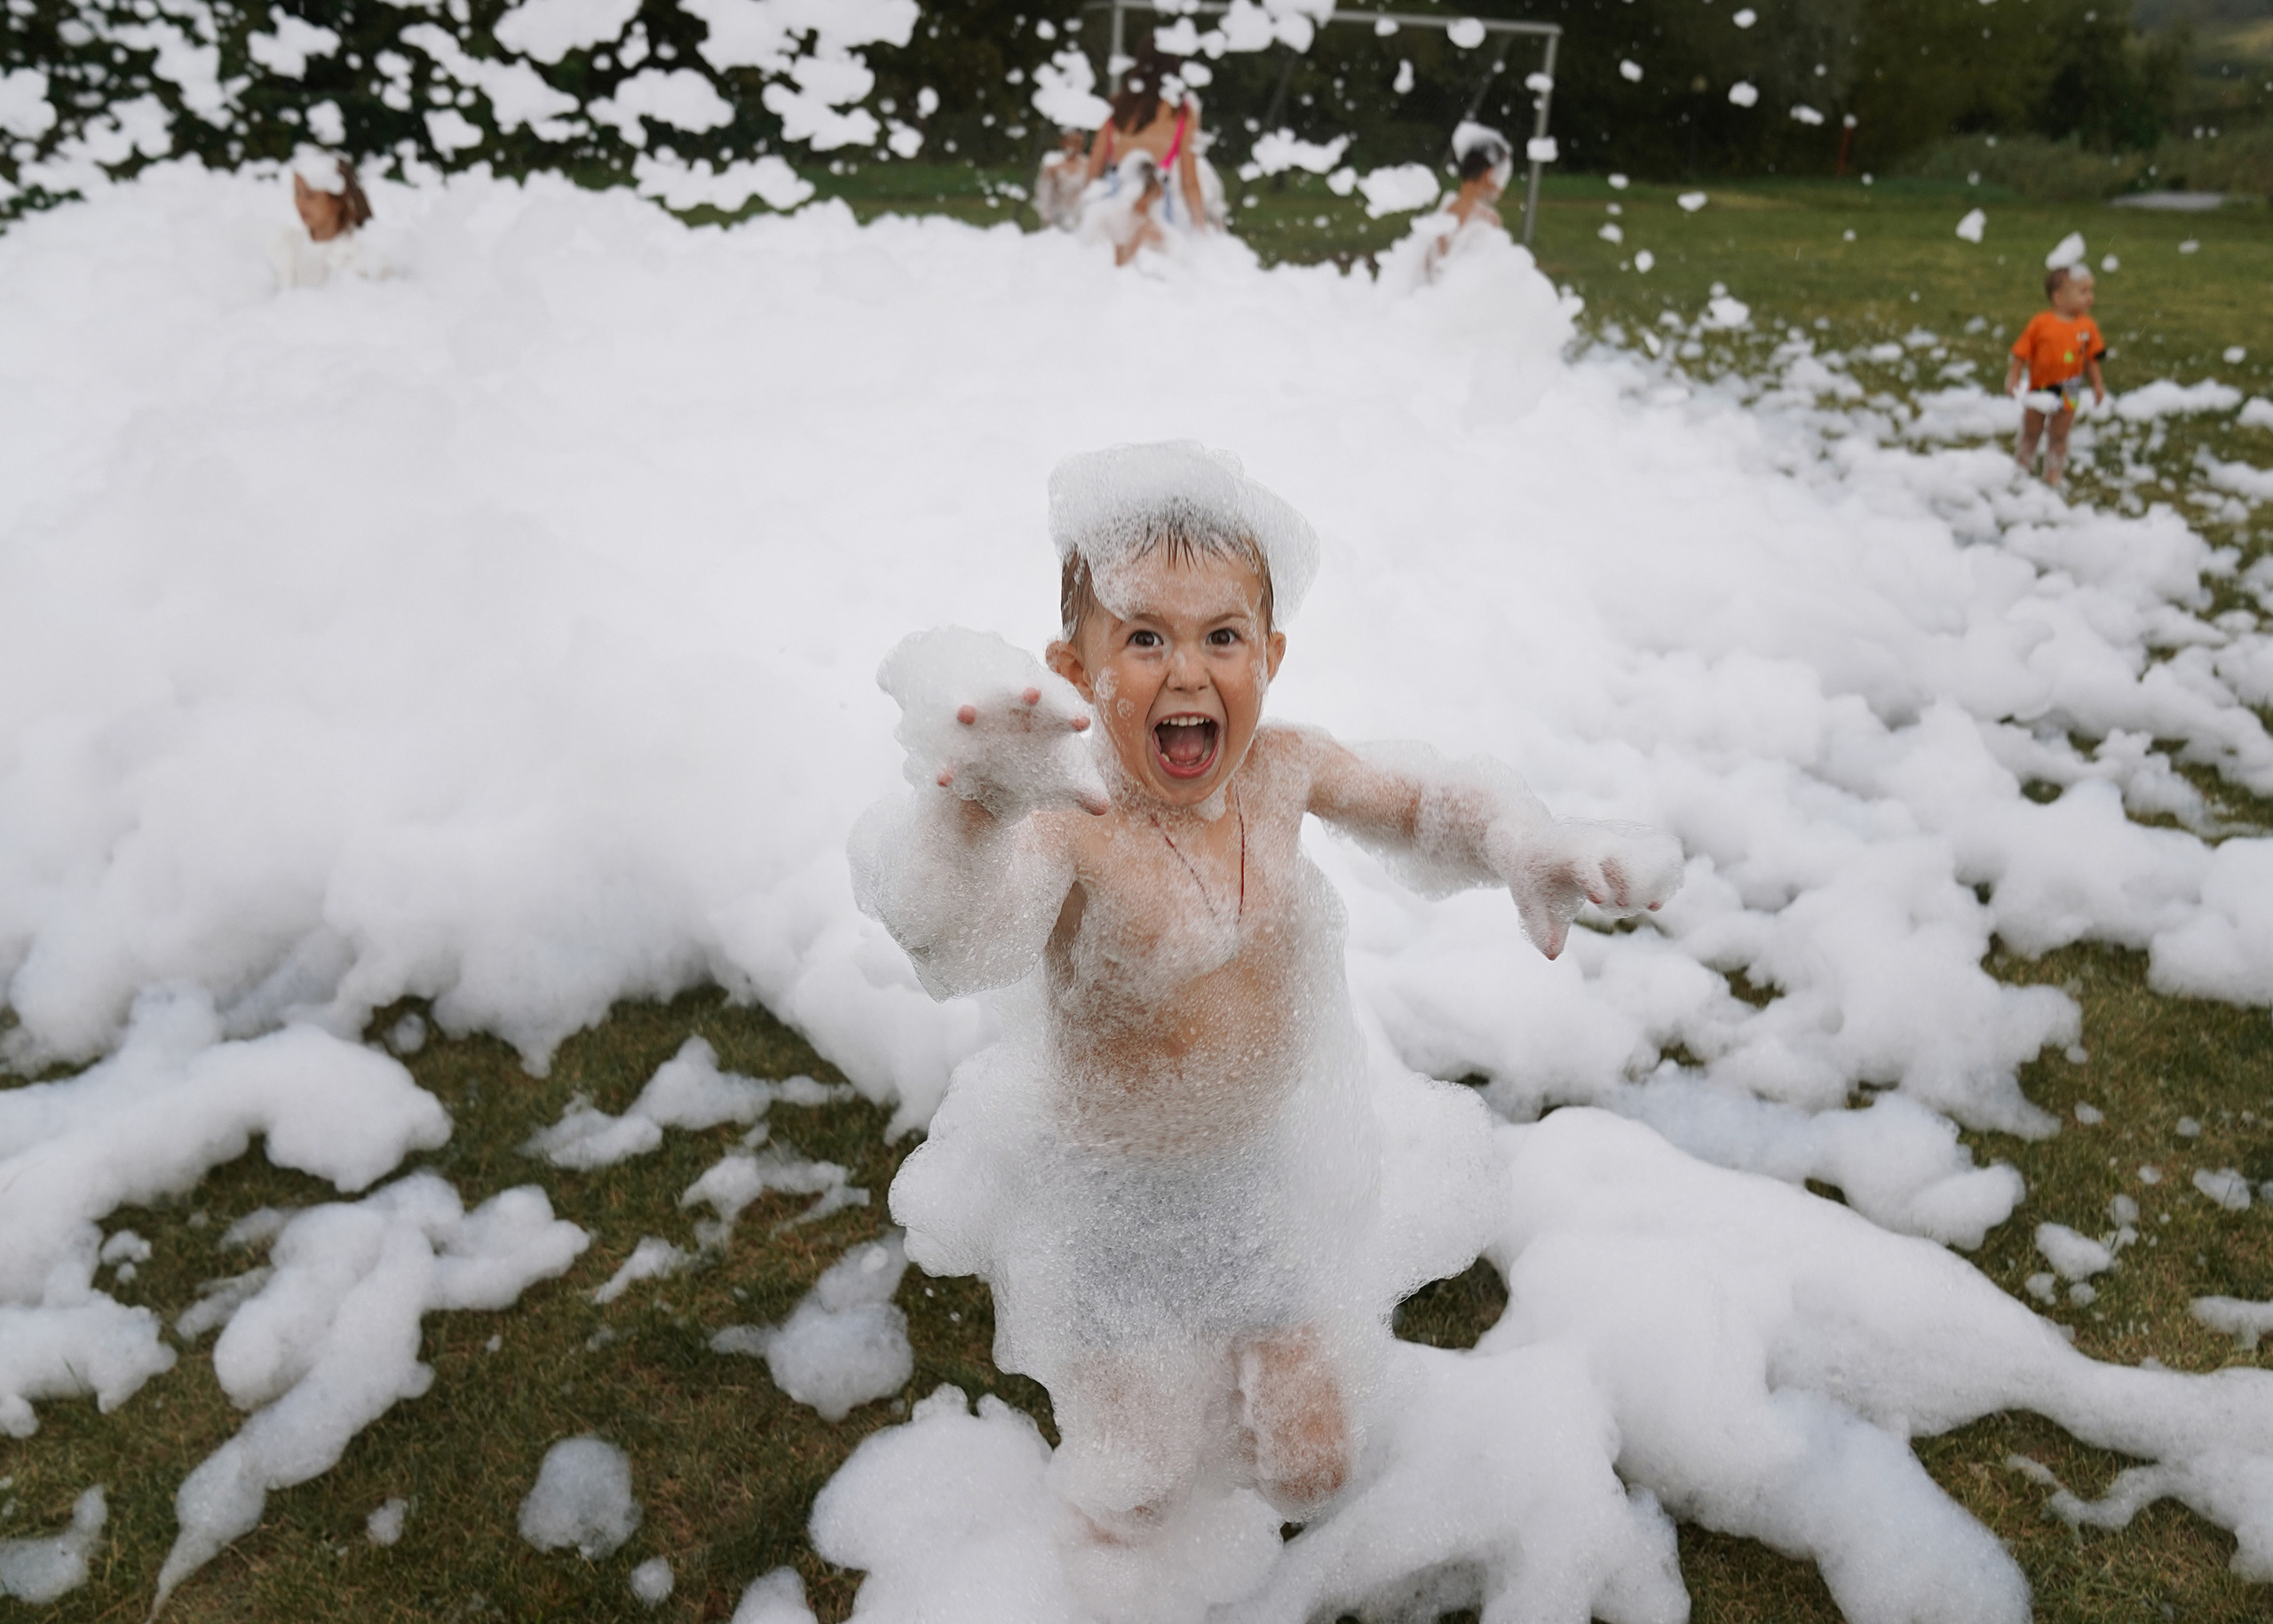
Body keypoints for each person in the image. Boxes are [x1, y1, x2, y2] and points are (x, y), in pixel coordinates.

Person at [851, 443, 1681, 1565]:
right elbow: (955, 939)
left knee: (1312, 1465)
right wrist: (972, 811)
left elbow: (1422, 802)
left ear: (1270, 653)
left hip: (1259, 1186)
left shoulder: (1283, 771)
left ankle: (1263, 1392)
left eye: (1221, 636)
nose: (1186, 672)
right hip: (1115, 1214)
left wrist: (1521, 837)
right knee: (1136, 1486)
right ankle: (1104, 1556)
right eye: (1143, 636)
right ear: (1075, 665)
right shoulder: (1071, 823)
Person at [1081, 49, 1222, 234]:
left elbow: (1094, 168)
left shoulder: (1118, 106)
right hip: (1154, 201)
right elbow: (1189, 182)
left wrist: (1086, 213)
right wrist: (1200, 226)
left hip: (1113, 197)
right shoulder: (1181, 112)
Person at [2005, 262, 2108, 486]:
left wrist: (2098, 385)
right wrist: (2013, 376)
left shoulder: (2088, 327)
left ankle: (2054, 472)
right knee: (2031, 429)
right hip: (2039, 387)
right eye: (2083, 291)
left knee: (2059, 434)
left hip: (2069, 387)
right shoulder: (2040, 323)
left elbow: (2092, 360)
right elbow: (2021, 352)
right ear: (2059, 297)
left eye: (2091, 291)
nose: (2090, 297)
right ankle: (2023, 466)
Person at [271, 155, 384, 289]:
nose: (299, 202)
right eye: (297, 192)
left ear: (338, 202)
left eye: (310, 195)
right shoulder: (287, 244)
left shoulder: (358, 254)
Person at [1035, 127, 1090, 232]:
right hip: (1057, 216)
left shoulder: (1087, 164)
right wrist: (1047, 218)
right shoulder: (1053, 165)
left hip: (1080, 216)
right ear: (1063, 141)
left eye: (1080, 143)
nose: (1076, 147)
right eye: (1073, 142)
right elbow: (1044, 195)